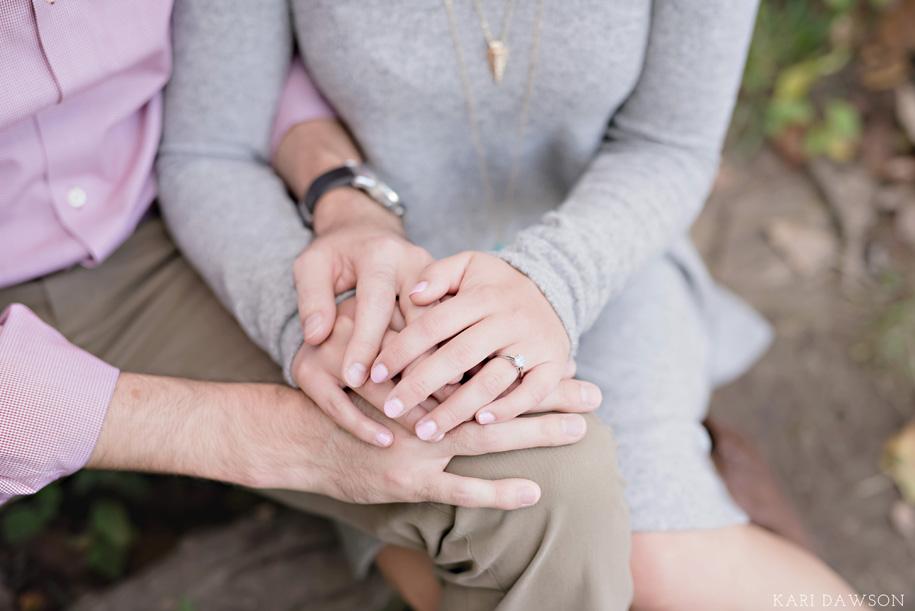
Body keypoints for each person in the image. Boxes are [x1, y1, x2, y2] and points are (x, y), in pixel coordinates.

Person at [158, 1, 865, 609]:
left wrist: (551, 281)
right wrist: (319, 322)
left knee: (649, 555)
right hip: (387, 296)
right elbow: (209, 150)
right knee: (490, 568)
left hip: (600, 254)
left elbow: (669, 145)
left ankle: (693, 476)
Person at [0, 2, 634, 609]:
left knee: (541, 479)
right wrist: (272, 437)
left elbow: (231, 64)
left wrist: (342, 195)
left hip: (164, 224)